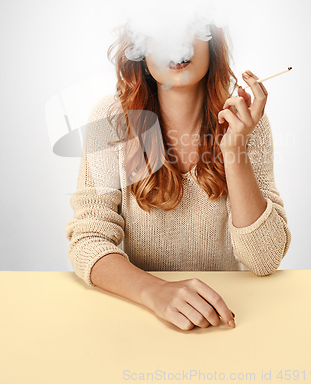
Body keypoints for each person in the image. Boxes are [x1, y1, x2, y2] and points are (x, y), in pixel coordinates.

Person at [65, 22, 291, 331]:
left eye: (190, 26)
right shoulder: (111, 120)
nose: (176, 42)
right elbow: (89, 239)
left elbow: (265, 259)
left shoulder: (246, 123)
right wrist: (155, 291)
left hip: (225, 318)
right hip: (139, 316)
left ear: (212, 42)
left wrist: (235, 151)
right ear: (140, 50)